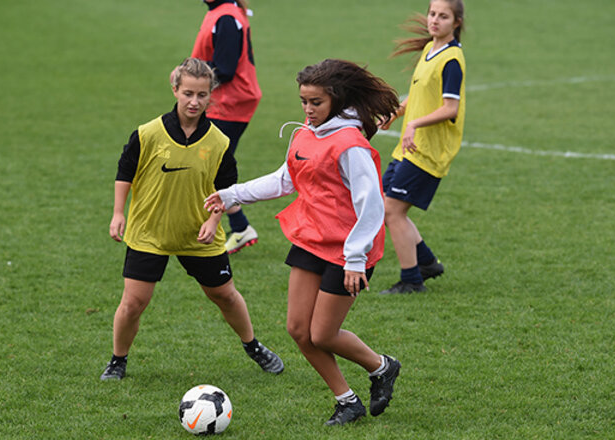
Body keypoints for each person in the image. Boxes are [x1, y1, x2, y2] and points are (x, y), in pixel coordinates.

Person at [205, 59, 402, 426]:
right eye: (304, 101)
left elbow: (372, 205)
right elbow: (284, 180)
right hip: (311, 238)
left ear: (337, 101)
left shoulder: (350, 145)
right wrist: (232, 195)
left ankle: (382, 367)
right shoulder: (304, 134)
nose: (308, 110)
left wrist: (355, 259)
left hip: (348, 250)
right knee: (298, 329)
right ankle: (347, 401)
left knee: (323, 334)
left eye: (316, 103)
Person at [100, 58, 283, 381]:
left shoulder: (219, 143)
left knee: (225, 295)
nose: (194, 101)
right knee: (133, 303)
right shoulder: (148, 134)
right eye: (188, 93)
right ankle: (118, 360)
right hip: (149, 233)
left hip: (199, 236)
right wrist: (118, 212)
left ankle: (253, 346)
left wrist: (213, 222)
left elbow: (225, 190)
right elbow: (124, 172)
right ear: (175, 90)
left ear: (211, 95)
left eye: (201, 94)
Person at [378, 0, 466, 294]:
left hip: (429, 150)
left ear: (456, 22)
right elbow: (418, 94)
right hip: (410, 148)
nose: (434, 20)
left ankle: (412, 281)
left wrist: (414, 125)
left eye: (443, 16)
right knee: (385, 206)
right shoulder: (431, 49)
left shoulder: (452, 60)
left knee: (393, 211)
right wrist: (398, 113)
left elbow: (450, 108)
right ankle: (426, 263)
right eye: (432, 14)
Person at [191, 0, 262, 254]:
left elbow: (226, 70)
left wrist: (188, 75)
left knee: (209, 166)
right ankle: (239, 227)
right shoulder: (221, 14)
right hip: (222, 103)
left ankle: (228, 228)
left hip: (230, 104)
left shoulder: (226, 17)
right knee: (211, 164)